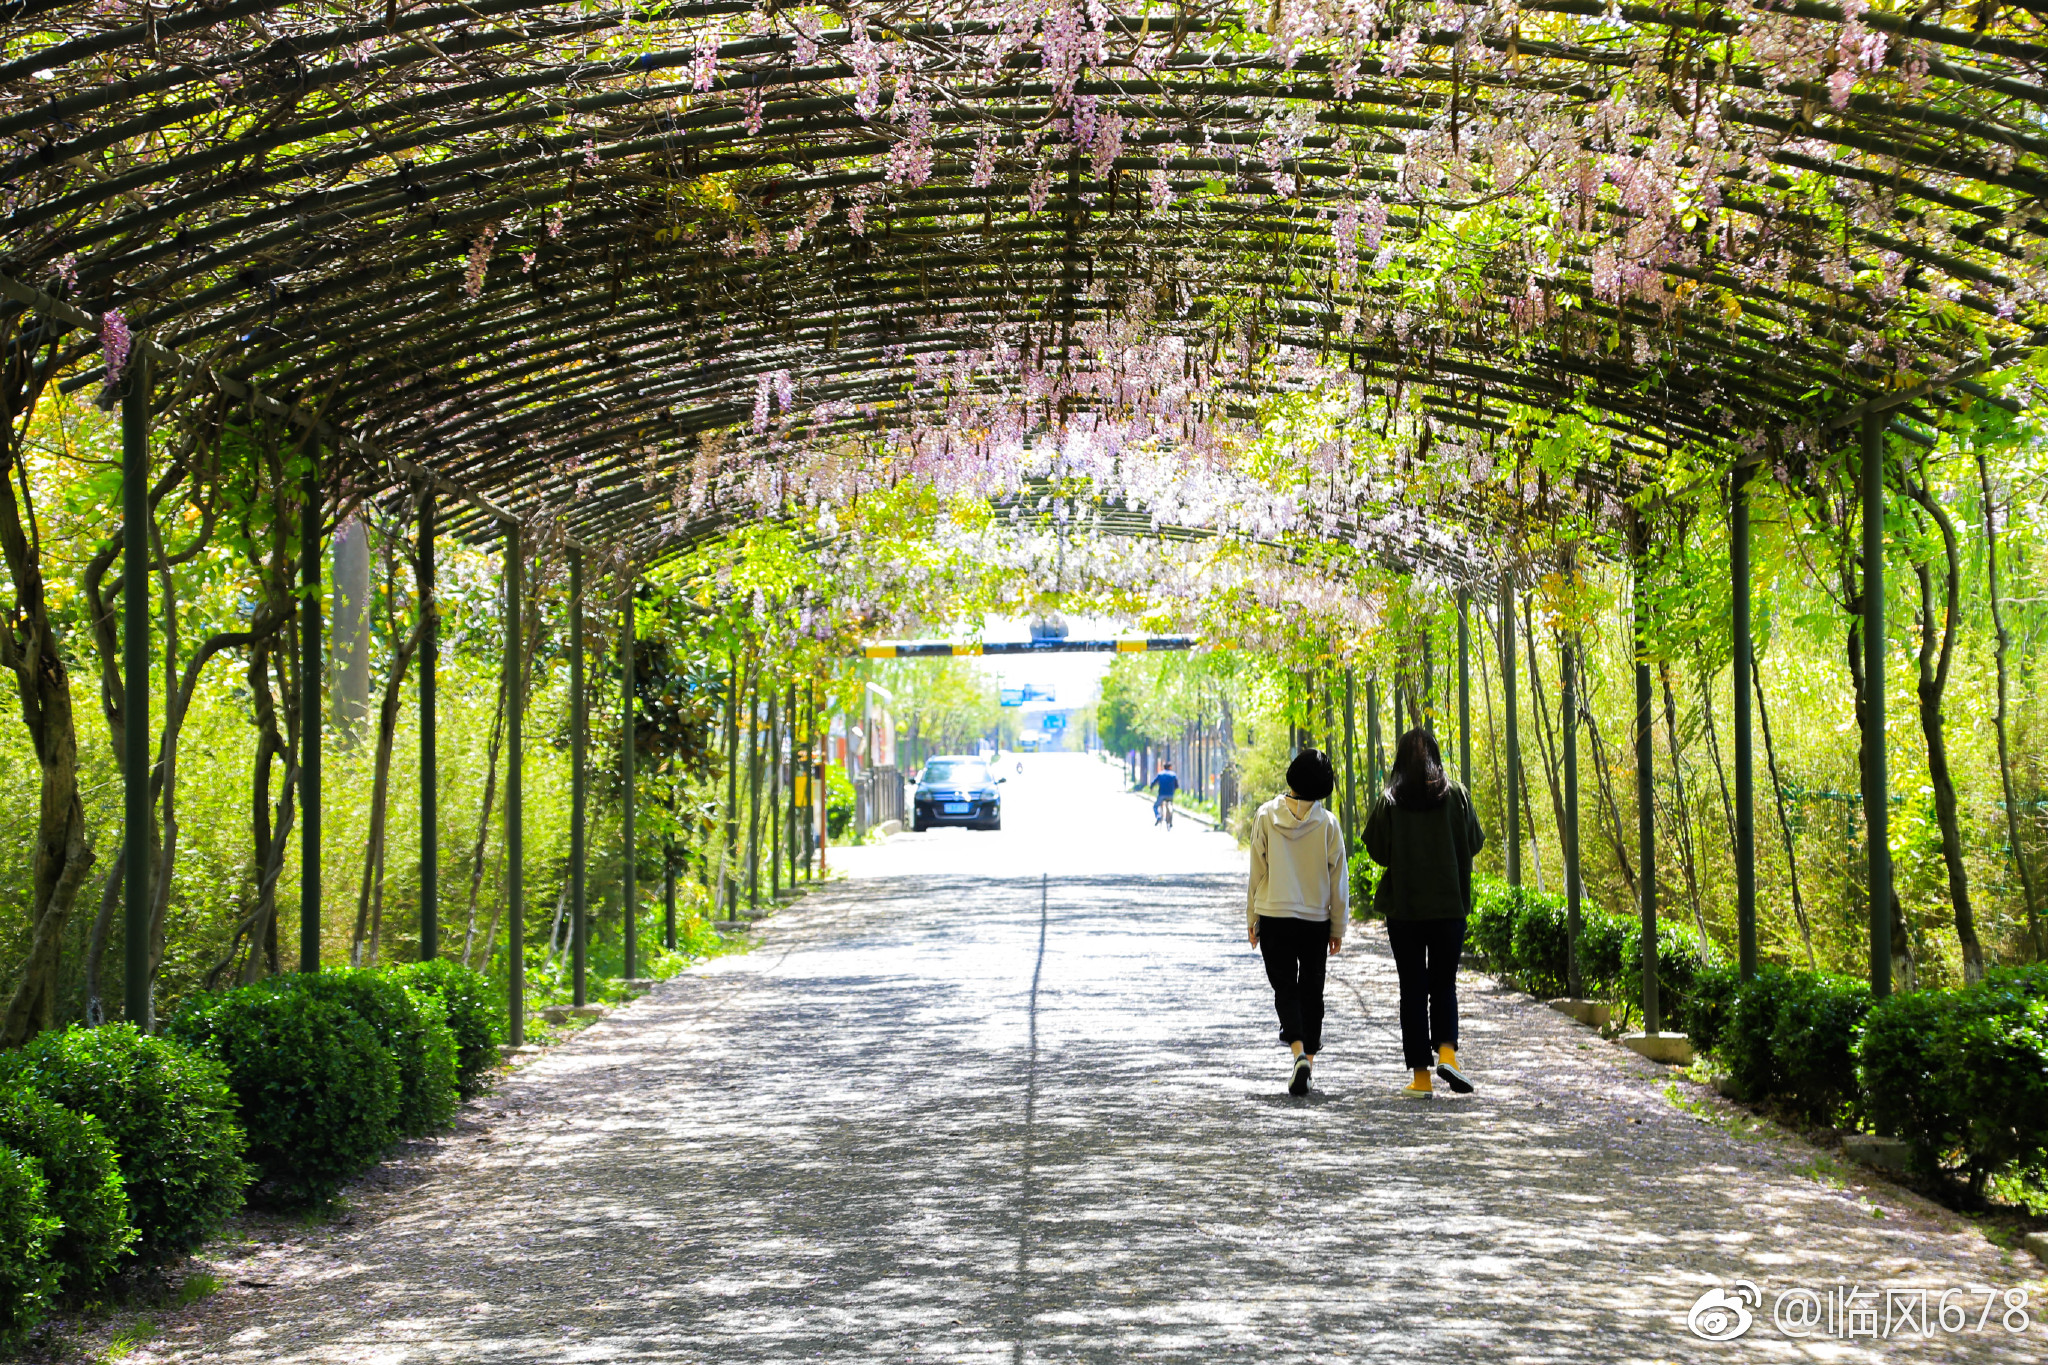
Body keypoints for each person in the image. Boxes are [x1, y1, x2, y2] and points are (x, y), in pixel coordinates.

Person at [1364, 728, 1485, 1096]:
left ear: (1399, 760)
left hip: (1405, 909)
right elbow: (1474, 843)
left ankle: (1421, 1079)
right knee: (1443, 982)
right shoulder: (1458, 795)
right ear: (1437, 756)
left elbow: (1377, 851)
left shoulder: (1391, 800)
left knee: (1413, 990)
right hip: (1450, 906)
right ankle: (1447, 1053)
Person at [1246, 749, 1347, 1096]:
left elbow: (1257, 872)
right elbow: (1339, 882)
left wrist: (1252, 917)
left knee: (1285, 988)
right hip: (1315, 919)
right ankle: (1309, 1063)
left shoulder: (1265, 815)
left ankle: (1298, 1054)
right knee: (1312, 991)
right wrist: (1337, 928)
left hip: (1274, 913)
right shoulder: (1328, 824)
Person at [1148, 760, 1180, 826]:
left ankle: (1158, 816)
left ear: (1164, 767)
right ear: (1170, 767)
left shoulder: (1160, 774)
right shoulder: (1173, 775)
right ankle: (1170, 820)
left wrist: (1151, 788)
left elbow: (1153, 783)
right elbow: (1177, 786)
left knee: (1155, 806)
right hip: (1170, 794)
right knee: (1170, 804)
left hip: (1161, 794)